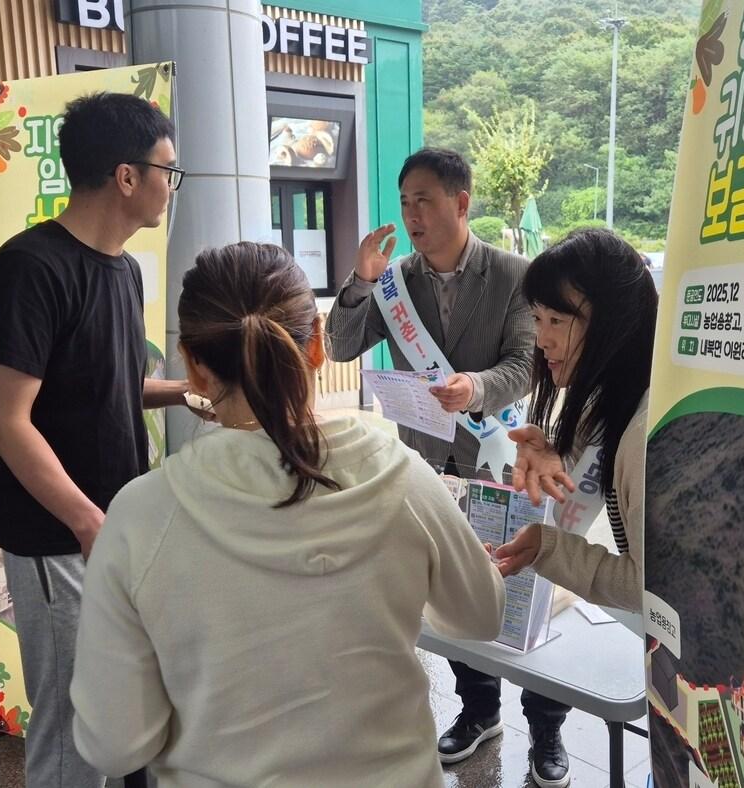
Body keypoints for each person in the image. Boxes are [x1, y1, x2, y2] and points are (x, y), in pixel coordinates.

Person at [69, 242, 505, 786]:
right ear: (318, 345)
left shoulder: (139, 517)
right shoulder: (403, 477)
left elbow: (114, 745)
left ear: (195, 370)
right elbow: (482, 616)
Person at [325, 148, 569, 785]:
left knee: (524, 589)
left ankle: (546, 728)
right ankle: (478, 710)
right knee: (453, 592)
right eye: (405, 202)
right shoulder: (393, 280)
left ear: (462, 203)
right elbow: (342, 344)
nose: (412, 215)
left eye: (424, 200)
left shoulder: (517, 274)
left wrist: (476, 389)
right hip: (425, 467)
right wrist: (358, 280)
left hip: (503, 459)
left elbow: (527, 363)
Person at [0, 92, 188, 788]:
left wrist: (188, 392)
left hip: (114, 527)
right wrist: (85, 518)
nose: (170, 185)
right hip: (59, 538)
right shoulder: (29, 269)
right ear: (127, 176)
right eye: (168, 170)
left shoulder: (124, 271)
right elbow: (7, 419)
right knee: (71, 722)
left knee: (127, 704)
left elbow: (110, 388)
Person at [493, 228, 656, 613]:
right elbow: (577, 465)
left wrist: (548, 548)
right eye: (537, 318)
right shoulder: (607, 402)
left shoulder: (645, 435)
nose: (540, 339)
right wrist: (553, 454)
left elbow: (649, 588)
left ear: (613, 322)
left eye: (557, 320)